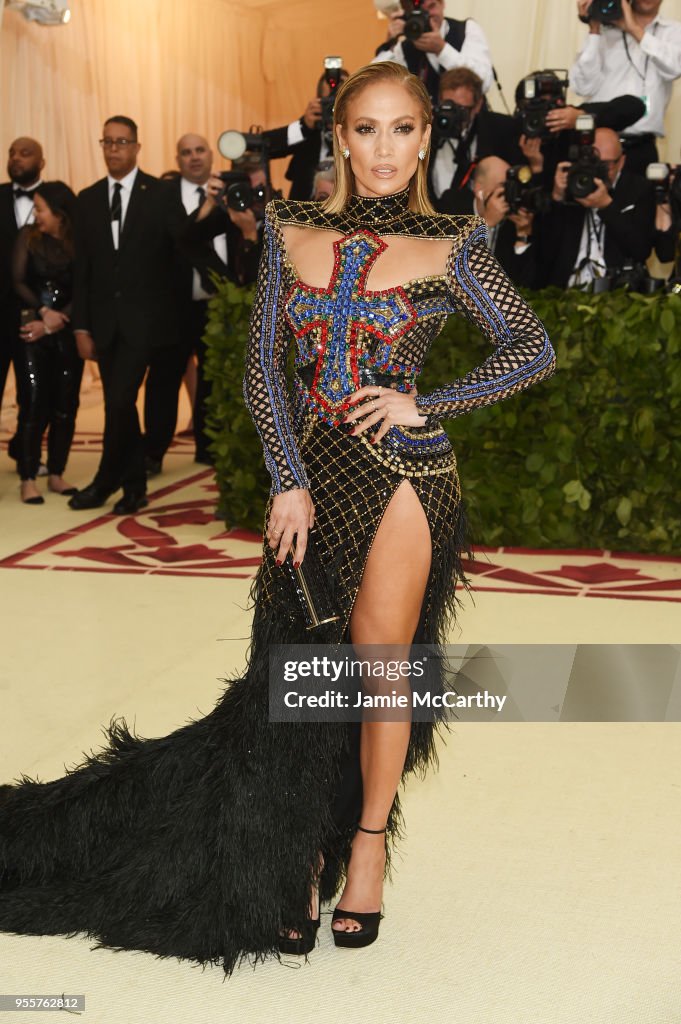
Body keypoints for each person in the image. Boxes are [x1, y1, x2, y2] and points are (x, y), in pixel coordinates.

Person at [0, 61, 555, 972]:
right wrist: (286, 483)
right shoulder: (294, 228)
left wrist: (430, 403)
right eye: (366, 129)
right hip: (313, 476)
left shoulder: (455, 243)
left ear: (425, 139)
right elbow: (264, 370)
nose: (384, 149)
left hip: (405, 479)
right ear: (339, 137)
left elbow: (529, 348)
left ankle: (367, 847)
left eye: (402, 130)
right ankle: (295, 845)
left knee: (379, 669)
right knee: (299, 675)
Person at [67, 116, 180, 515]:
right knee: (120, 405)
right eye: (107, 142)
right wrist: (80, 325)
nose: (114, 149)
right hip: (103, 321)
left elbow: (177, 256)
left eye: (122, 142)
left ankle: (109, 480)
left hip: (146, 322)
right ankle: (128, 484)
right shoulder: (88, 198)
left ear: (136, 147)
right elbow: (83, 269)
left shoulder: (161, 194)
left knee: (118, 400)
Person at [143, 133, 259, 474]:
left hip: (219, 304)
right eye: (185, 153)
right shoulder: (163, 195)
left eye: (199, 151)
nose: (194, 158)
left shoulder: (233, 189)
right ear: (177, 160)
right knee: (164, 380)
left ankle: (208, 450)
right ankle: (153, 452)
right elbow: (178, 238)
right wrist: (207, 206)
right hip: (173, 304)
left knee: (214, 380)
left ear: (211, 155)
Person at [11, 182, 82, 504]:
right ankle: (28, 477)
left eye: (41, 209)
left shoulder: (79, 242)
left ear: (60, 213)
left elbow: (86, 286)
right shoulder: (28, 237)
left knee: (66, 405)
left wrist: (59, 319)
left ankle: (56, 472)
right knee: (33, 403)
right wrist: (42, 315)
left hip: (66, 332)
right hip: (32, 330)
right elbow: (18, 281)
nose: (35, 215)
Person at [570, 0, 681, 175]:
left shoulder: (674, 31)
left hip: (641, 147)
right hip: (599, 145)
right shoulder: (604, 32)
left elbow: (674, 69)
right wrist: (594, 30)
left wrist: (634, 29)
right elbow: (583, 87)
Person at [539, 127, 655, 288]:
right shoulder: (572, 183)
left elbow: (640, 250)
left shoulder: (638, 189)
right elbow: (544, 252)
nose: (598, 170)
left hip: (617, 290)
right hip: (565, 288)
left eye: (606, 164)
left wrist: (606, 206)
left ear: (621, 162)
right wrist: (557, 198)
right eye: (594, 162)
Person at [0, 138, 45, 459]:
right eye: (12, 153)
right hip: (0, 310)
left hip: (38, 311)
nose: (16, 158)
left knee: (35, 390)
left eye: (25, 153)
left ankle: (25, 452)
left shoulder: (57, 199)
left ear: (41, 162)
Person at [429, 67, 523, 214]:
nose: (453, 116)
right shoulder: (425, 130)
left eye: (461, 109)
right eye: (448, 106)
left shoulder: (502, 129)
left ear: (478, 105)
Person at [372, 0, 494, 104]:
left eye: (431, 6)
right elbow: (373, 83)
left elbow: (484, 82)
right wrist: (390, 44)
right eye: (420, 11)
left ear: (442, 4)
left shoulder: (466, 29)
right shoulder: (405, 46)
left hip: (468, 124)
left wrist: (442, 50)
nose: (428, 15)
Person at [265, 68, 350, 200]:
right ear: (318, 102)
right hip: (302, 216)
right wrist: (303, 126)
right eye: (330, 102)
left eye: (341, 101)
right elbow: (263, 147)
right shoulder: (307, 135)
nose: (334, 109)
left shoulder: (359, 137)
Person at [471, 157, 541, 288]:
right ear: (479, 190)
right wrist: (486, 224)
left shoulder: (513, 219)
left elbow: (525, 284)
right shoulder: (451, 207)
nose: (509, 194)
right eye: (504, 187)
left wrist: (523, 235)